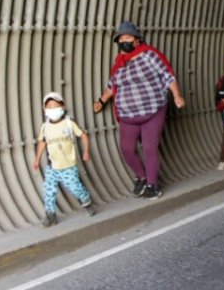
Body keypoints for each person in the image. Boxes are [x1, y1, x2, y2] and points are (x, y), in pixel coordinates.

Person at [92, 21, 186, 199]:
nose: (124, 41)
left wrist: (177, 96)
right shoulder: (119, 64)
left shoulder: (149, 55)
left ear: (137, 40)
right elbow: (112, 85)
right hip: (128, 116)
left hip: (153, 110)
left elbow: (167, 75)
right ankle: (142, 177)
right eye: (121, 39)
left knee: (150, 148)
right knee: (127, 149)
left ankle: (152, 184)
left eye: (128, 37)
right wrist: (101, 101)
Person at [32, 92, 94, 226]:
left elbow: (83, 135)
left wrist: (86, 151)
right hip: (52, 166)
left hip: (68, 165)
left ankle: (86, 200)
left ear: (63, 106)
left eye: (55, 105)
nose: (52, 108)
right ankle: (50, 215)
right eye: (49, 106)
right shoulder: (45, 126)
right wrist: (37, 159)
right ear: (44, 109)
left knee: (75, 188)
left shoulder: (69, 123)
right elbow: (42, 142)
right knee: (48, 190)